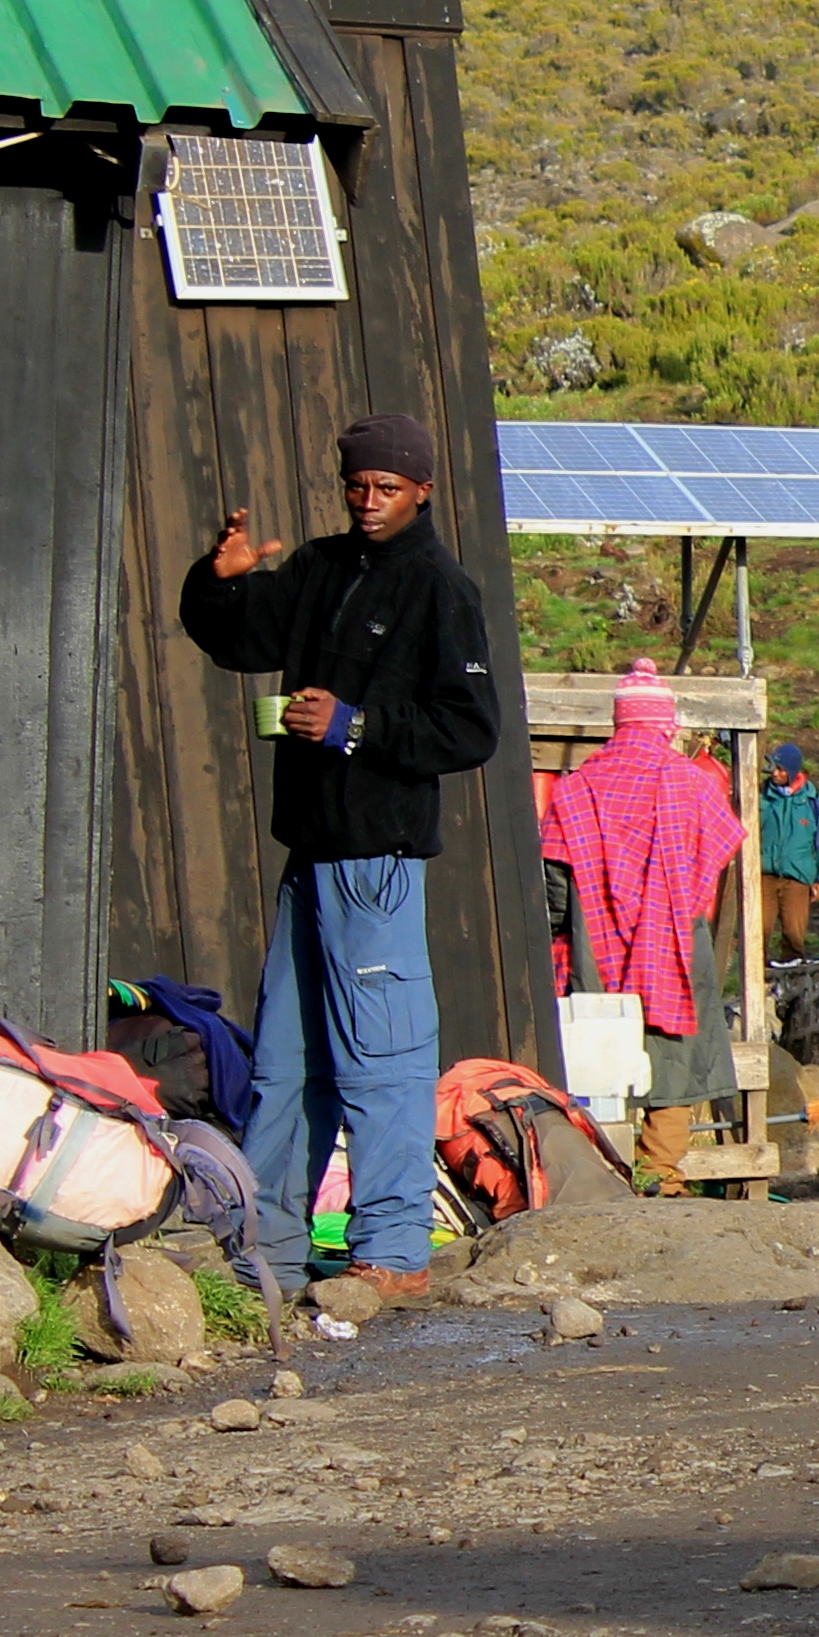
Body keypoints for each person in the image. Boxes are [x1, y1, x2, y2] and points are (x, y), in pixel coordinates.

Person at [176, 412, 501, 1292]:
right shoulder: (322, 568)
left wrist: (355, 728)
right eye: (357, 486)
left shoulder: (441, 588)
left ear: (422, 491)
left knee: (382, 1062)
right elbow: (237, 638)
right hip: (310, 857)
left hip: (377, 861)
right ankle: (265, 1257)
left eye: (387, 488)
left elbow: (473, 729)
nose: (368, 502)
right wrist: (221, 581)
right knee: (286, 1063)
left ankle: (393, 1255)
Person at [539, 663, 751, 1179]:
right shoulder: (692, 786)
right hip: (674, 946)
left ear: (619, 722)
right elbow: (719, 854)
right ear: (665, 723)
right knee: (673, 1057)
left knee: (600, 1059)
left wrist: (566, 931)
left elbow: (553, 885)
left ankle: (603, 1174)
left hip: (595, 949)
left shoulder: (575, 790)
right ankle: (662, 1173)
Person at [756, 740, 819, 955]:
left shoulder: (812, 800)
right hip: (764, 875)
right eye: (774, 768)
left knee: (794, 934)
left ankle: (791, 980)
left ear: (792, 771)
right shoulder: (760, 795)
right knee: (759, 932)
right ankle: (758, 981)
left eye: (781, 769)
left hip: (798, 877)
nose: (775, 773)